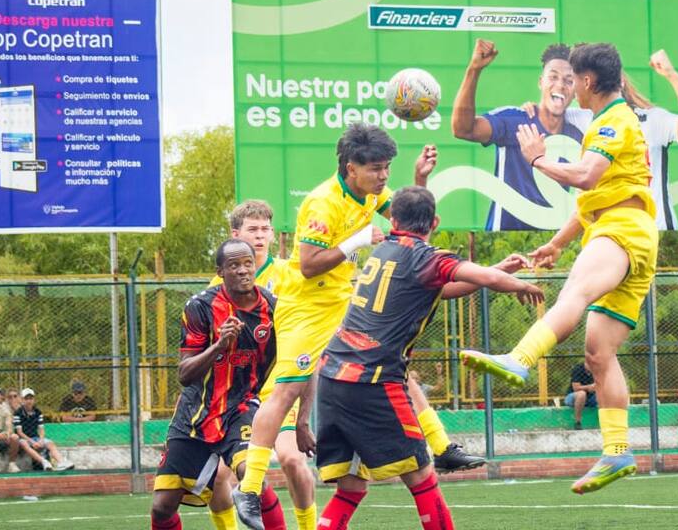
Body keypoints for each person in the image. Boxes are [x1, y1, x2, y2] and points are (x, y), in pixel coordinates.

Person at [234, 125, 479, 529]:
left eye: (387, 169)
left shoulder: (371, 193)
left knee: (393, 365)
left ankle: (442, 446)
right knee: (287, 390)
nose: (384, 177)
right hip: (306, 305)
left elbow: (405, 226)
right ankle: (250, 489)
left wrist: (420, 179)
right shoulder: (321, 203)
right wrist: (357, 241)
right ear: (352, 168)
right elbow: (310, 264)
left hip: (343, 299)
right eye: (377, 169)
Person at [461, 42, 659, 494]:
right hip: (630, 231)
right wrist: (556, 242)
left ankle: (520, 358)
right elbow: (595, 195)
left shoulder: (613, 120)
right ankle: (616, 451)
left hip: (621, 230)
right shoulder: (610, 120)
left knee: (573, 296)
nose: (570, 88)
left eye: (574, 79)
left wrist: (538, 160)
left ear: (588, 82)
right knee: (599, 353)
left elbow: (586, 177)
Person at [312, 186, 544, 530]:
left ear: (393, 220)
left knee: (351, 485)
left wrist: (495, 270)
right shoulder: (426, 256)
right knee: (422, 473)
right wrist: (517, 283)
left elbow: (441, 287)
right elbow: (479, 278)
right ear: (434, 221)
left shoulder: (385, 249)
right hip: (373, 379)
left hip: (332, 376)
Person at [151, 240, 283, 530]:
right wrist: (219, 346)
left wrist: (300, 421)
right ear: (220, 271)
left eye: (248, 263)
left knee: (252, 477)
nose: (243, 271)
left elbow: (302, 359)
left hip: (243, 406)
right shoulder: (200, 307)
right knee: (162, 507)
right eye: (234, 265)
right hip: (195, 412)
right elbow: (185, 374)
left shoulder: (275, 309)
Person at [206, 200, 317, 530]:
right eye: (252, 229)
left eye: (265, 229)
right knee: (215, 480)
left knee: (293, 460)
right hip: (236, 397)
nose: (260, 236)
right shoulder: (216, 289)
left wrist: (305, 416)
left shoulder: (290, 275)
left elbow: (306, 338)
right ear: (235, 234)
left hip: (279, 391)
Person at [527, 49, 678, 230]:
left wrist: (672, 75)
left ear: (620, 82)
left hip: (655, 228)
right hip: (613, 231)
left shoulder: (652, 120)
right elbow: (549, 113)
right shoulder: (586, 118)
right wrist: (531, 109)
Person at [451, 39, 585, 230]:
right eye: (553, 77)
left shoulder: (578, 134)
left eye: (569, 80)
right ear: (541, 82)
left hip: (549, 243)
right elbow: (462, 129)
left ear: (576, 90)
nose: (560, 85)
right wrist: (474, 69)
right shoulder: (515, 120)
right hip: (504, 236)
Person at [13, 388, 74, 471]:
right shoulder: (17, 413)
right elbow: (20, 432)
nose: (29, 401)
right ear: (22, 400)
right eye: (26, 399)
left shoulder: (38, 412)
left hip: (36, 438)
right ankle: (44, 462)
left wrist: (41, 440)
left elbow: (41, 429)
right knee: (24, 444)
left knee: (50, 443)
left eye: (31, 398)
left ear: (34, 400)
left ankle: (61, 462)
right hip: (23, 439)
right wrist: (32, 442)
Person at [565, 362, 597, 430]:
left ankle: (608, 421)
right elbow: (576, 388)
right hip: (573, 398)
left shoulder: (597, 369)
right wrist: (588, 387)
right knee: (582, 394)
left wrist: (596, 388)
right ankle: (577, 422)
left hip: (590, 398)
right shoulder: (578, 369)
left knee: (605, 393)